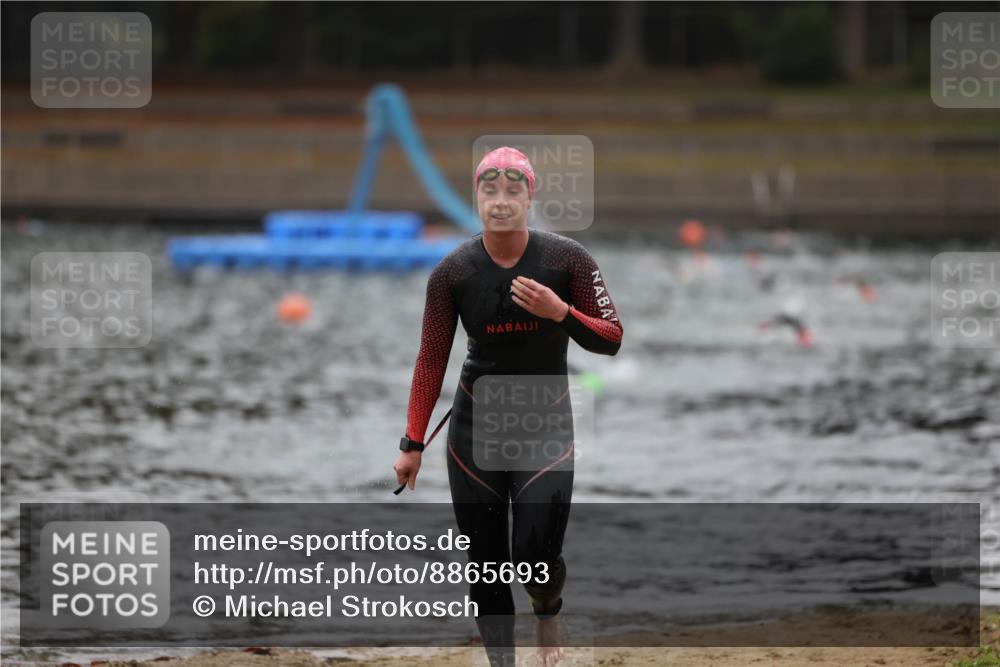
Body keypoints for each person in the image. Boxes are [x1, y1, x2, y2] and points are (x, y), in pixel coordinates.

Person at [393, 146, 623, 667]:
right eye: (489, 189)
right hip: (474, 429)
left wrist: (561, 311)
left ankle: (547, 610)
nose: (500, 201)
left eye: (512, 190)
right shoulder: (452, 272)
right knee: (486, 563)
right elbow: (430, 360)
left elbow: (611, 338)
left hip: (545, 424)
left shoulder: (567, 259)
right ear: (475, 197)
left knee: (535, 557)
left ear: (529, 197)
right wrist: (412, 442)